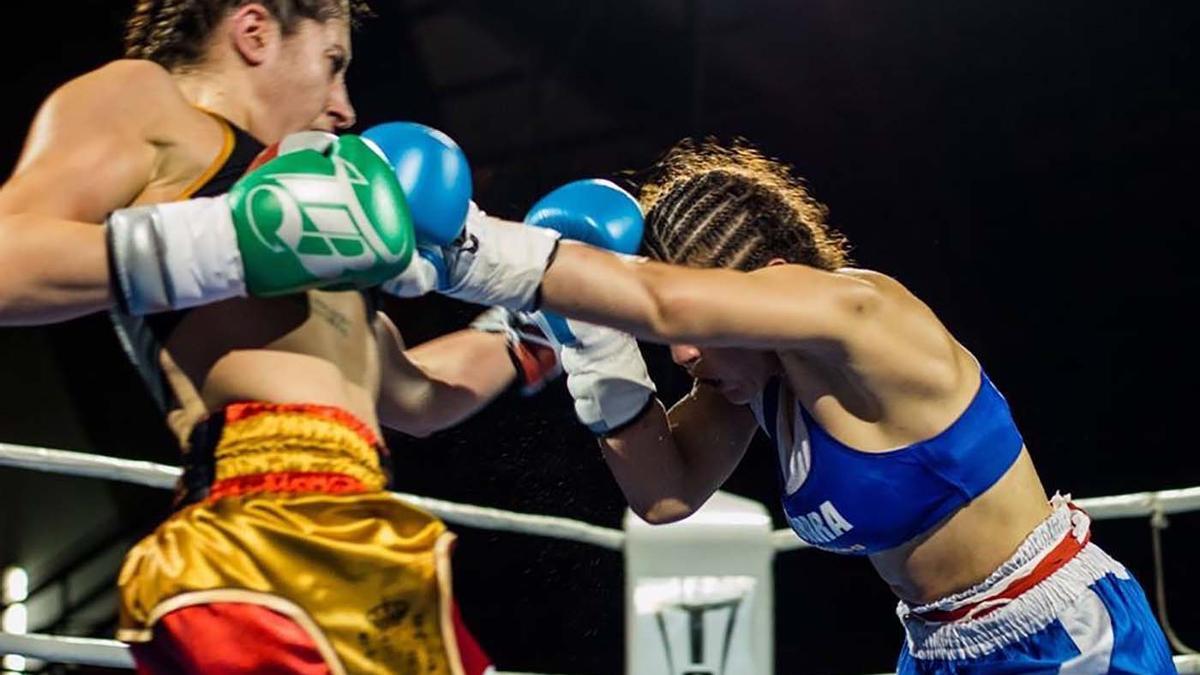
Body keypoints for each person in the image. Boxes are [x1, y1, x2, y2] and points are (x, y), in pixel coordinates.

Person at [393, 139, 1178, 672]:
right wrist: (591, 344)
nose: (685, 356)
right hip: (939, 648)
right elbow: (663, 492)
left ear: (771, 283)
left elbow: (663, 306)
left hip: (1063, 636)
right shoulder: (753, 384)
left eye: (707, 329)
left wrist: (477, 248)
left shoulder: (863, 317)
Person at [0, 2, 572, 672]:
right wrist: (233, 239)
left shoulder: (315, 220)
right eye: (332, 65)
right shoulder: (150, 101)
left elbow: (414, 396)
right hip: (258, 532)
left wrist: (536, 327)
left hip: (371, 536)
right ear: (254, 31)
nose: (345, 108)